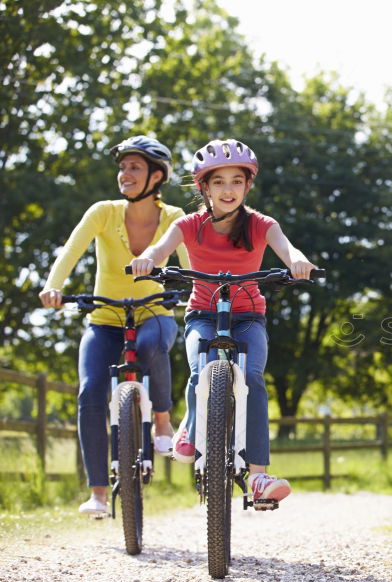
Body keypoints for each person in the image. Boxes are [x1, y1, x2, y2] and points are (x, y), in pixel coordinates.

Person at [129, 138, 317, 504]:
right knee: (201, 368)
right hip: (203, 314)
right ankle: (192, 426)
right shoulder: (188, 225)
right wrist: (148, 259)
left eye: (236, 181)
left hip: (249, 317)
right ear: (204, 187)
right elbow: (160, 248)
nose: (228, 189)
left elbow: (287, 248)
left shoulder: (262, 224)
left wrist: (298, 262)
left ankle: (259, 476)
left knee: (252, 379)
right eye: (218, 182)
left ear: (248, 185)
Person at [39, 135, 190, 517]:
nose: (125, 173)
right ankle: (99, 495)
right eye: (122, 167)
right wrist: (53, 287)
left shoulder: (174, 219)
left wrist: (198, 295)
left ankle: (161, 421)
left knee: (153, 345)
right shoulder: (103, 212)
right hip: (104, 318)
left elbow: (190, 269)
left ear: (157, 176)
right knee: (90, 391)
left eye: (134, 167)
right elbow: (71, 250)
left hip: (154, 312)